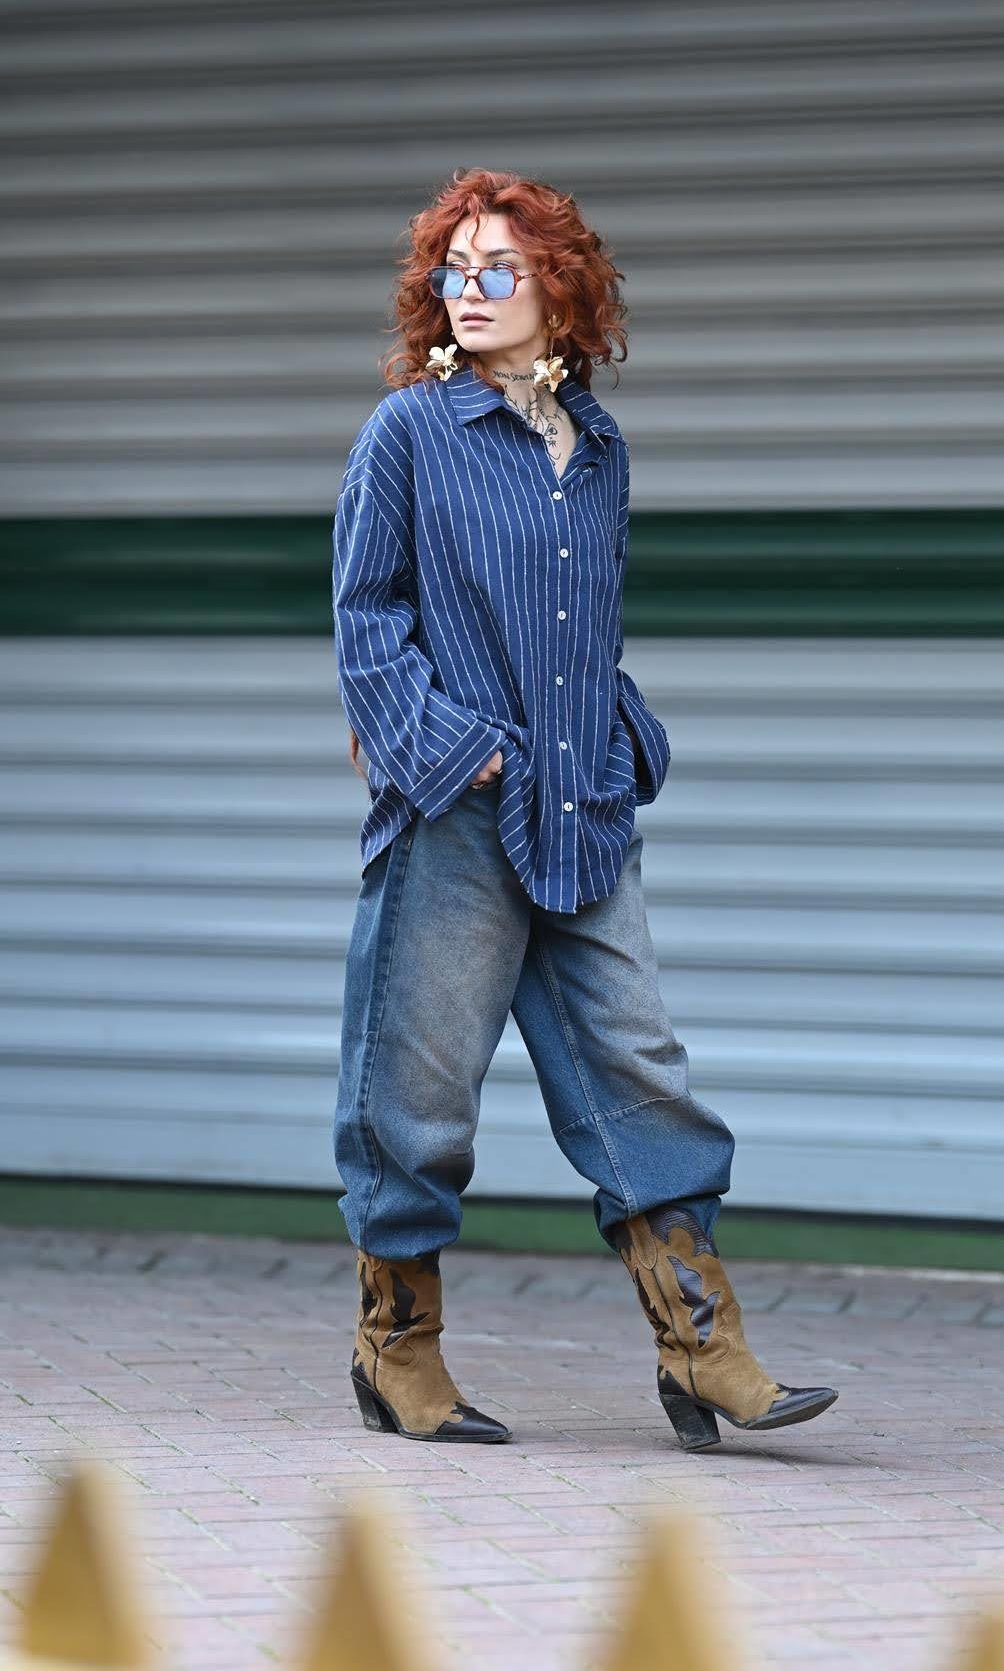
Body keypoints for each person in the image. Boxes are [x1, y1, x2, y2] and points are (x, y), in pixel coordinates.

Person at [331, 167, 838, 1451]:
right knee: (419, 1086)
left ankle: (701, 1349)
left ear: (562, 289)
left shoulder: (598, 447)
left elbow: (581, 628)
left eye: (501, 266)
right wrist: (446, 751)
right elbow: (365, 618)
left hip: (586, 810)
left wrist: (625, 735)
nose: (474, 287)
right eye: (456, 267)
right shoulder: (410, 433)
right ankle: (398, 1349)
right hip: (459, 807)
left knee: (640, 1069)